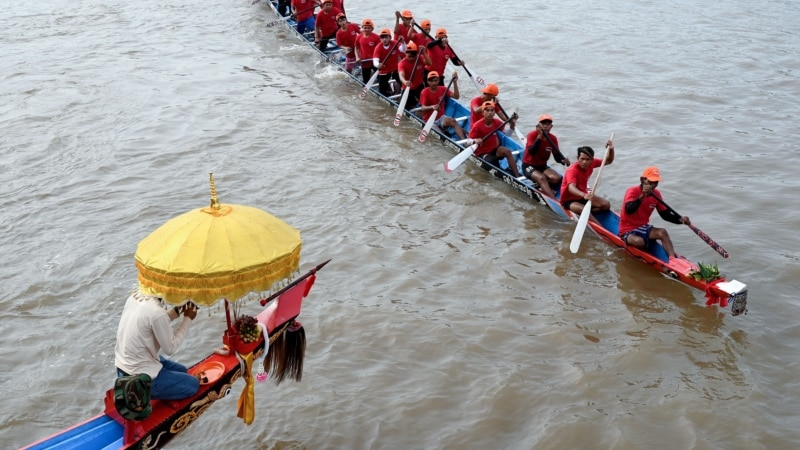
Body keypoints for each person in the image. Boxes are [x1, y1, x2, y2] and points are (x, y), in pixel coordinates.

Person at [114, 291, 200, 400]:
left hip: (124, 368)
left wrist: (176, 311)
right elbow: (170, 348)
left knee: (182, 370)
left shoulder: (135, 296)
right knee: (193, 385)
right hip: (139, 379)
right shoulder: (156, 312)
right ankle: (144, 393)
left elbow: (154, 321)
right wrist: (188, 318)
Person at [619, 166, 691, 258]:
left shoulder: (656, 194)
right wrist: (642, 196)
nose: (653, 186)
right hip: (627, 230)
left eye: (655, 183)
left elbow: (665, 215)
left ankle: (673, 260)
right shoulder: (632, 191)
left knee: (662, 232)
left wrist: (681, 220)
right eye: (650, 182)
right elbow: (629, 210)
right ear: (642, 180)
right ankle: (647, 248)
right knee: (639, 242)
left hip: (643, 227)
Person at [559, 141, 615, 217]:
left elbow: (608, 161)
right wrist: (584, 195)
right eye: (582, 159)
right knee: (584, 210)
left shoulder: (593, 163)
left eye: (587, 159)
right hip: (569, 200)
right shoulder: (572, 170)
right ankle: (591, 220)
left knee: (606, 205)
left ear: (592, 159)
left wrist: (611, 149)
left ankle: (587, 213)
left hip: (583, 196)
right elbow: (571, 188)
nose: (584, 162)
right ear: (577, 158)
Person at [468, 101, 521, 177]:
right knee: (491, 161)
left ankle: (517, 176)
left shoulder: (497, 122)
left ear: (494, 112)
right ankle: (501, 172)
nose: (490, 113)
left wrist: (512, 125)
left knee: (507, 151)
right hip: (481, 153)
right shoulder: (477, 126)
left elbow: (507, 135)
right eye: (487, 110)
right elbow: (467, 142)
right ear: (483, 113)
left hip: (494, 150)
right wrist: (475, 140)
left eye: (492, 110)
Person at [522, 114, 570, 198]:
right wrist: (539, 137)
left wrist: (562, 160)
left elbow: (556, 156)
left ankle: (539, 185)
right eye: (543, 123)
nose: (545, 126)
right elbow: (532, 152)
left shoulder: (553, 138)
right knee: (541, 178)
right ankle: (553, 199)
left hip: (542, 166)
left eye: (547, 124)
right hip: (528, 165)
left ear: (551, 126)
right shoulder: (532, 135)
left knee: (557, 179)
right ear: (539, 125)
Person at [419, 71, 466, 139]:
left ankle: (464, 142)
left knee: (453, 121)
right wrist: (432, 107)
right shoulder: (425, 92)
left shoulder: (443, 89)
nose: (434, 83)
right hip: (429, 120)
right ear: (428, 82)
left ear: (438, 80)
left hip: (441, 118)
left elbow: (456, 96)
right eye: (431, 81)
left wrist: (454, 82)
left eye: (436, 80)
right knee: (440, 135)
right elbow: (423, 108)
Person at [397, 41, 431, 108]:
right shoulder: (402, 63)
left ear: (416, 54)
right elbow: (401, 76)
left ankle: (419, 105)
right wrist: (405, 82)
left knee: (426, 103)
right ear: (405, 53)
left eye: (413, 56)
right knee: (407, 107)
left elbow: (429, 63)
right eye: (409, 56)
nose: (411, 58)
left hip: (419, 86)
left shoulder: (420, 58)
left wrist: (424, 52)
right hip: (408, 87)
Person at [373, 28, 403, 97]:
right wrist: (378, 65)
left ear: (390, 38)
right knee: (382, 91)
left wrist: (403, 42)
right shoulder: (378, 48)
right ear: (380, 39)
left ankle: (401, 95)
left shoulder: (395, 43)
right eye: (382, 38)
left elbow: (403, 49)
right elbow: (375, 61)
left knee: (403, 83)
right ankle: (387, 94)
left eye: (386, 37)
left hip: (395, 69)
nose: (384, 39)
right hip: (384, 71)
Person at [354, 18, 380, 84]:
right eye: (365, 28)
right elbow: (356, 47)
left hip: (375, 61)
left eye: (369, 28)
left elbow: (380, 49)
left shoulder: (376, 37)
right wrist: (357, 57)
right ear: (362, 28)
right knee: (366, 82)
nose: (367, 29)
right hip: (365, 62)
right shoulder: (359, 37)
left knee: (382, 78)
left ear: (372, 29)